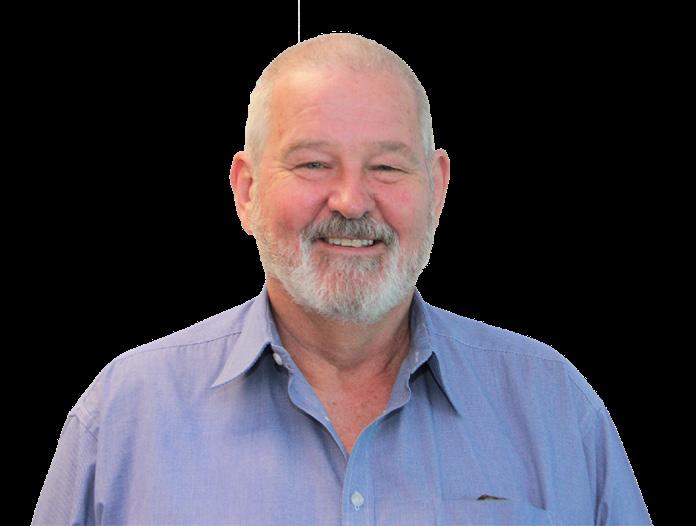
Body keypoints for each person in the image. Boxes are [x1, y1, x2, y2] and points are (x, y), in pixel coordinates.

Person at [32, 32, 651, 525]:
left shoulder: (556, 410)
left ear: (437, 189)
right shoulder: (123, 418)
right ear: (246, 190)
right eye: (313, 163)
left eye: (387, 167)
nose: (352, 201)